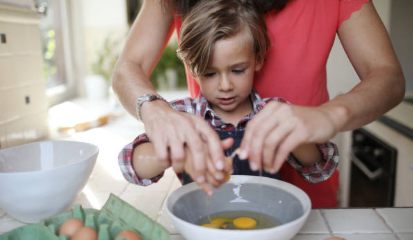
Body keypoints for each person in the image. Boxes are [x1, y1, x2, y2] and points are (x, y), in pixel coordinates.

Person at [112, 0, 405, 207]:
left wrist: (324, 119)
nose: (225, 85)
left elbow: (388, 77)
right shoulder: (189, 114)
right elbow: (131, 163)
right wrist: (158, 119)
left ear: (258, 59)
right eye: (210, 73)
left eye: (237, 70)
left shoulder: (271, 108)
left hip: (301, 207)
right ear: (192, 66)